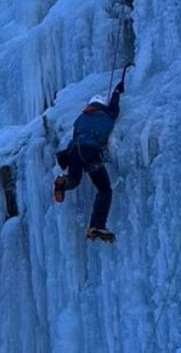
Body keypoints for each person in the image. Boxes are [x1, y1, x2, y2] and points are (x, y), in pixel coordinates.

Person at [52, 80, 125, 242]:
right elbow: (114, 108)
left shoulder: (80, 119)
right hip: (89, 151)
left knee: (75, 179)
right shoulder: (105, 114)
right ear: (101, 105)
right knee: (104, 190)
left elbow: (76, 135)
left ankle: (64, 182)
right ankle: (97, 225)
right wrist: (117, 92)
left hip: (73, 152)